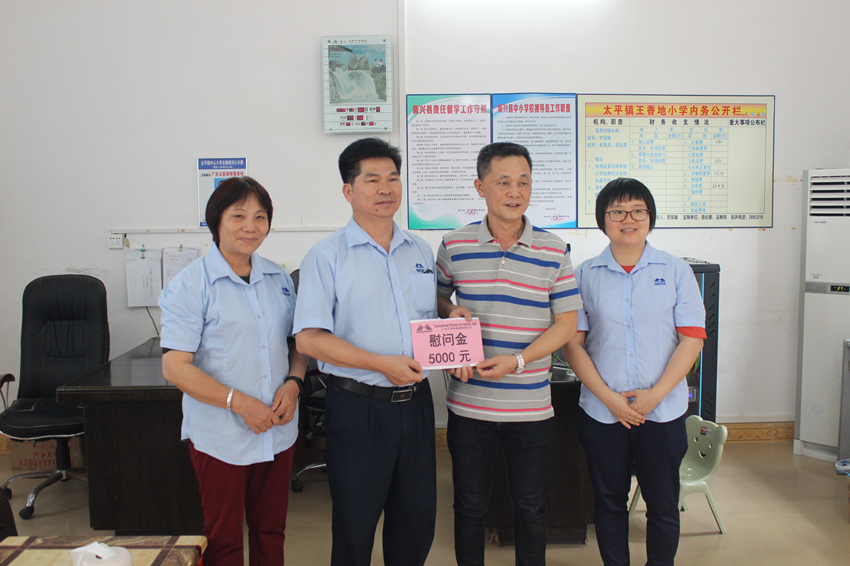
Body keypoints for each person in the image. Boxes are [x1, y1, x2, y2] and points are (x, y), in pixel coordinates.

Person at [293, 138, 438, 566]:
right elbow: (309, 339)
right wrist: (380, 364)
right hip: (359, 408)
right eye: (372, 179)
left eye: (393, 178)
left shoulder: (420, 250)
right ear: (348, 190)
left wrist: (452, 314)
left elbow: (424, 315)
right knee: (355, 526)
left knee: (416, 522)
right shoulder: (326, 256)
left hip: (417, 406)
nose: (385, 188)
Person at [436, 142, 582, 566]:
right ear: (480, 186)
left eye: (523, 182)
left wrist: (518, 361)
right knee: (469, 507)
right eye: (503, 182)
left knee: (531, 508)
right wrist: (450, 312)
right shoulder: (454, 245)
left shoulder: (554, 249)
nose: (515, 191)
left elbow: (566, 324)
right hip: (469, 404)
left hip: (531, 407)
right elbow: (435, 303)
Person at [159, 177, 308, 566]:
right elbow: (174, 366)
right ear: (217, 221)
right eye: (238, 216)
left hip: (277, 429)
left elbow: (297, 343)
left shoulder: (278, 278)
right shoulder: (190, 285)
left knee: (270, 530)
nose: (251, 227)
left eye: (260, 217)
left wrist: (294, 383)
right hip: (221, 434)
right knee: (223, 539)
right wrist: (238, 402)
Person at [561, 177, 706, 566]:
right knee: (608, 502)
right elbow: (573, 344)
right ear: (603, 219)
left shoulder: (676, 271)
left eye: (638, 210)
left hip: (662, 411)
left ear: (650, 217)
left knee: (662, 504)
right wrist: (610, 399)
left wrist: (655, 395)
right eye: (617, 211)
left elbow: (692, 340)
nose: (629, 219)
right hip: (602, 411)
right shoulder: (583, 275)